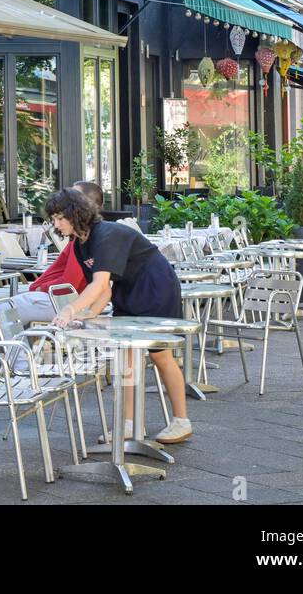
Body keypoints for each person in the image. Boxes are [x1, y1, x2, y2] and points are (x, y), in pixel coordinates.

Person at [44, 187, 191, 444]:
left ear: (74, 214)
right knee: (128, 356)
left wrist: (70, 310)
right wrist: (88, 316)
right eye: (53, 219)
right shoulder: (80, 244)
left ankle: (181, 421)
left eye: (59, 218)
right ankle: (129, 424)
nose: (55, 225)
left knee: (160, 354)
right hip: (127, 289)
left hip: (155, 286)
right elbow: (105, 289)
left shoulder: (104, 235)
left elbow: (99, 285)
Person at [7, 180, 100, 324]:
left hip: (65, 301)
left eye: (71, 198)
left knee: (2, 311)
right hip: (69, 300)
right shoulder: (88, 235)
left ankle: (16, 347)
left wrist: (39, 288)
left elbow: (70, 284)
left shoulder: (84, 239)